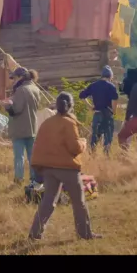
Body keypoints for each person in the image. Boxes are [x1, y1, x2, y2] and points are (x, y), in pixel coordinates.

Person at [28, 92, 101, 241]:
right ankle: (85, 234)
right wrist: (83, 143)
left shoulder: (47, 123)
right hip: (67, 168)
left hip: (48, 168)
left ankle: (35, 234)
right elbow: (74, 148)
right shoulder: (69, 123)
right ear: (71, 106)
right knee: (78, 202)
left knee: (48, 202)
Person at [4, 67, 43, 184]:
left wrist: (7, 105)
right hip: (32, 127)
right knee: (32, 156)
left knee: (19, 156)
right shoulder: (35, 88)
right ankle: (34, 179)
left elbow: (16, 109)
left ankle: (19, 179)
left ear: (20, 77)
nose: (13, 81)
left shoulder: (21, 90)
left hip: (20, 128)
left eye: (14, 78)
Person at [79, 65, 119, 155]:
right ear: (110, 76)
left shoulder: (93, 85)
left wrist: (90, 106)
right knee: (108, 137)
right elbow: (115, 99)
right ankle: (106, 156)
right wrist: (114, 111)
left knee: (95, 137)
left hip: (97, 114)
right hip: (107, 114)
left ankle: (92, 155)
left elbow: (81, 96)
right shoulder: (111, 86)